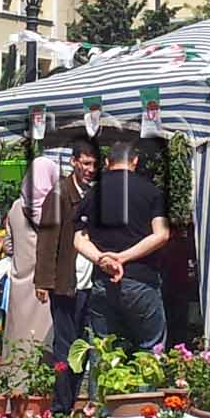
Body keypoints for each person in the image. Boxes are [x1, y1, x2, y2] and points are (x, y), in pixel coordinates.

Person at [76, 134, 169, 355]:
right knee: (149, 351)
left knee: (103, 351)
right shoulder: (152, 192)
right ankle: (147, 390)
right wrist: (123, 258)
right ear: (134, 161)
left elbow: (79, 239)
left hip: (102, 280)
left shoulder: (91, 194)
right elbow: (162, 235)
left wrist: (103, 259)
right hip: (141, 281)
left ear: (108, 163)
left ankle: (101, 391)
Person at [30, 139, 97, 413]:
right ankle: (60, 408)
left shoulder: (90, 194)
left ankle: (69, 403)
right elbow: (47, 241)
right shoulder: (59, 195)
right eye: (86, 163)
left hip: (88, 281)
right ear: (74, 162)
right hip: (66, 283)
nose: (91, 169)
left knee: (81, 348)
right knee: (65, 347)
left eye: (95, 164)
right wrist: (43, 282)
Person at [1, 156, 59, 368]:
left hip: (19, 286)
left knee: (18, 340)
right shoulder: (55, 209)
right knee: (43, 340)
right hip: (45, 285)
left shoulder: (16, 207)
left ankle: (15, 389)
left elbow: (8, 247)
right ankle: (41, 392)